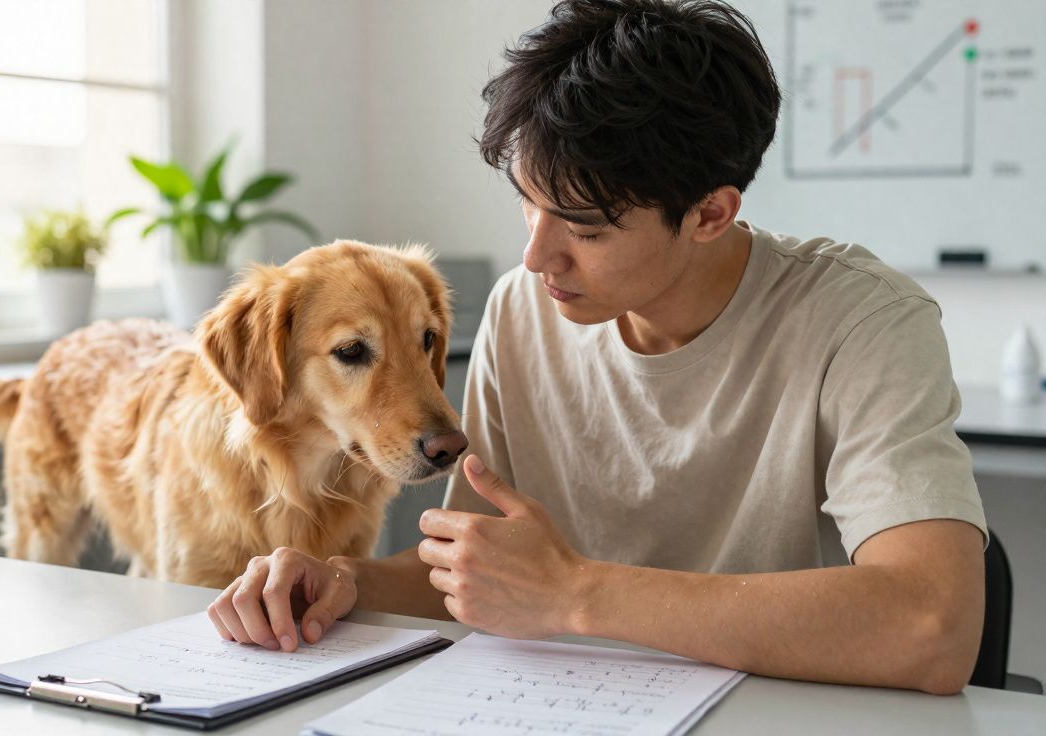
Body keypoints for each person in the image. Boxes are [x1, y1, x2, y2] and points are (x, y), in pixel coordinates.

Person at [207, 0, 987, 695]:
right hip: (550, 703)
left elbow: (932, 627)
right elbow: (472, 570)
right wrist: (344, 580)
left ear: (711, 213)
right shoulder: (525, 307)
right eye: (528, 203)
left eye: (585, 226)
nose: (539, 256)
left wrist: (578, 592)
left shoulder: (864, 321)